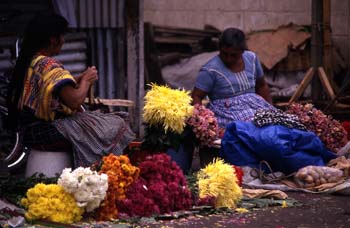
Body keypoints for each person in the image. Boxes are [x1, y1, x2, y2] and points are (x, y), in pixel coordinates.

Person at [6, 13, 135, 167]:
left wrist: (79, 79)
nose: (64, 41)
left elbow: (54, 89)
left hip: (29, 132)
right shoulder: (48, 65)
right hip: (47, 133)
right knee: (118, 123)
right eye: (62, 36)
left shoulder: (30, 61)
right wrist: (87, 81)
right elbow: (75, 101)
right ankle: (103, 168)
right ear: (53, 39)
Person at [192, 27, 275, 129]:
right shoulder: (210, 70)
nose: (228, 59)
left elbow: (262, 86)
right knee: (251, 127)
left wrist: (271, 108)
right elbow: (196, 96)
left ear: (242, 51)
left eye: (233, 55)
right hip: (227, 113)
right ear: (220, 49)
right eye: (224, 54)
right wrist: (202, 122)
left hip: (255, 106)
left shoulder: (252, 59)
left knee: (276, 122)